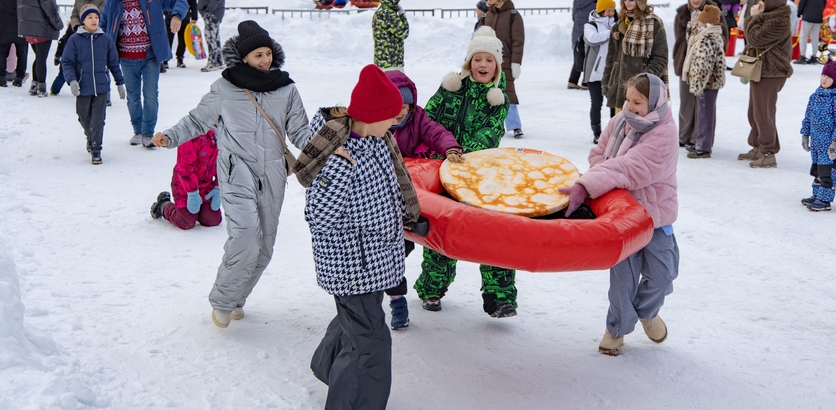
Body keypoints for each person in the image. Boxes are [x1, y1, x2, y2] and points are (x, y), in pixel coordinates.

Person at [151, 20, 310, 328]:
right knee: (246, 237)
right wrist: (170, 137)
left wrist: (329, 146)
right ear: (244, 57)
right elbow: (197, 121)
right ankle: (222, 300)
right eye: (258, 55)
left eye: (268, 54)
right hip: (237, 173)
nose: (265, 60)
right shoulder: (225, 88)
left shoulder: (286, 88)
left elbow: (300, 132)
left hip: (274, 176)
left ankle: (237, 297)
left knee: (265, 247)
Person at [305, 64, 416, 410]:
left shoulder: (377, 139)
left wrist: (407, 218)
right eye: (391, 115)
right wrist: (339, 168)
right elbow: (318, 216)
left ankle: (327, 364)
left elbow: (386, 189)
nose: (396, 120)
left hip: (372, 257)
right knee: (370, 344)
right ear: (372, 115)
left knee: (356, 323)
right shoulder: (339, 153)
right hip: (351, 264)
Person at [559, 73, 679, 356]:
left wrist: (589, 183)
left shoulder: (664, 132)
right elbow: (598, 154)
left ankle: (647, 313)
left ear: (655, 102)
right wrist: (603, 177)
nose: (629, 107)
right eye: (628, 100)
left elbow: (631, 168)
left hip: (654, 216)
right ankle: (616, 328)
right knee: (623, 279)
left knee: (663, 274)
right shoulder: (619, 121)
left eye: (637, 102)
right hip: (622, 215)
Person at [413, 26, 516, 318]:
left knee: (493, 232)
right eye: (477, 59)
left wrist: (461, 153)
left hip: (481, 174)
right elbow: (427, 121)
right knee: (442, 228)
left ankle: (499, 297)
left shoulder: (498, 99)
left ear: (496, 66)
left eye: (489, 60)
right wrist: (439, 152)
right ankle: (432, 287)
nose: (482, 65)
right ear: (469, 62)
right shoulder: (451, 88)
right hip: (443, 171)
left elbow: (490, 133)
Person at [100, 0, 188, 147]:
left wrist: (177, 15)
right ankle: (138, 131)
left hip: (150, 57)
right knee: (133, 97)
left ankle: (147, 133)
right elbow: (104, 24)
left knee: (151, 95)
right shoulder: (113, 2)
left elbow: (179, 1)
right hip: (126, 58)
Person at [61, 4, 127, 164]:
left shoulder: (106, 39)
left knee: (98, 119)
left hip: (101, 87)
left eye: (96, 17)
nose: (94, 20)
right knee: (83, 117)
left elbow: (113, 63)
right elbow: (67, 62)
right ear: (83, 20)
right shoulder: (74, 40)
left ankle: (96, 149)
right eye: (90, 17)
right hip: (83, 87)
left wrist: (120, 82)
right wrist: (72, 80)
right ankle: (90, 137)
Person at [737, 0, 793, 168]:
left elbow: (755, 38)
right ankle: (758, 146)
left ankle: (768, 152)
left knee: (763, 113)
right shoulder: (767, 16)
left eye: (763, 0)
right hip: (760, 70)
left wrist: (753, 18)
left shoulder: (779, 19)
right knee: (754, 111)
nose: (760, 3)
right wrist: (756, 18)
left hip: (772, 71)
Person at [674, 0, 728, 149]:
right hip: (685, 63)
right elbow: (679, 39)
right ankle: (683, 135)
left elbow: (723, 36)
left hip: (703, 63)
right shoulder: (682, 13)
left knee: (701, 103)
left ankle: (697, 137)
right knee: (686, 101)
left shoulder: (713, 11)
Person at [602, 0, 669, 114]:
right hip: (617, 90)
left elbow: (660, 59)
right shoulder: (618, 26)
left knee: (638, 125)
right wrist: (606, 84)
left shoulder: (654, 25)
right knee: (618, 124)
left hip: (642, 93)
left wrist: (642, 81)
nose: (627, 2)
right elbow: (611, 60)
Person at [150, 129, 223, 227]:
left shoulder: (226, 135)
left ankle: (199, 211)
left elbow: (225, 164)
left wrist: (218, 187)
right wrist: (192, 193)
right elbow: (184, 167)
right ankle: (163, 205)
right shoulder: (192, 134)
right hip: (184, 184)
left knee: (212, 220)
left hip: (206, 185)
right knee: (185, 221)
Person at [478, 0, 525, 138]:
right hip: (487, 61)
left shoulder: (513, 15)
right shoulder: (486, 16)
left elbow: (518, 42)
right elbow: (478, 41)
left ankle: (515, 125)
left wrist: (516, 63)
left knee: (508, 92)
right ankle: (485, 125)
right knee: (485, 92)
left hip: (506, 61)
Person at [799, 61, 836, 211]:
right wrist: (805, 134)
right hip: (816, 142)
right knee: (817, 169)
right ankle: (817, 194)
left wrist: (834, 142)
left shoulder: (835, 99)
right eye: (823, 75)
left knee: (827, 171)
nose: (824, 79)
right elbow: (808, 116)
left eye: (828, 77)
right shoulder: (815, 96)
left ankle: (825, 200)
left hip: (829, 144)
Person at [51, 0, 106, 96]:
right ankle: (54, 90)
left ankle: (89, 92)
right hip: (74, 45)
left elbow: (101, 15)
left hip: (91, 37)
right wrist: (77, 27)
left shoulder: (102, 1)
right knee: (65, 71)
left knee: (88, 70)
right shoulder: (72, 30)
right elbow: (63, 41)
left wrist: (89, 27)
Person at [583, 0, 617, 144]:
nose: (611, 13)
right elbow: (593, 39)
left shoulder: (617, 23)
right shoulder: (591, 25)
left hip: (612, 72)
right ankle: (597, 133)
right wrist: (612, 32)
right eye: (608, 10)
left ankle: (613, 132)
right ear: (601, 11)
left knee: (613, 103)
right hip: (594, 72)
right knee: (596, 104)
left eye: (612, 10)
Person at [17, 0, 63, 97]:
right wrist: (59, 25)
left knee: (38, 57)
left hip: (29, 29)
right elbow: (50, 10)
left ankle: (34, 85)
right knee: (41, 58)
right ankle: (41, 88)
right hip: (42, 29)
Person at [372, 0, 409, 71]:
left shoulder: (380, 11)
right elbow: (404, 32)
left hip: (382, 61)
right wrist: (402, 15)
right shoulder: (388, 13)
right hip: (391, 62)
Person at [570, 0, 597, 90]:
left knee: (579, 56)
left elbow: (573, 17)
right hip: (590, 33)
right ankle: (586, 82)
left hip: (578, 32)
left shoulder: (577, 2)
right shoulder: (595, 4)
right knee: (590, 57)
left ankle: (572, 81)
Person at [1, 0, 28, 88]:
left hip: (4, 28)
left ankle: (1, 78)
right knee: (22, 54)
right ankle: (19, 78)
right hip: (21, 28)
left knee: (2, 53)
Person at [165, 0, 197, 70]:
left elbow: (193, 3)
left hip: (184, 18)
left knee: (183, 40)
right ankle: (165, 60)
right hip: (170, 18)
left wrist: (194, 16)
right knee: (168, 40)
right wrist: (166, 13)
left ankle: (180, 57)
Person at [197, 0, 224, 72]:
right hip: (214, 12)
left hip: (212, 12)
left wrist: (208, 10)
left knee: (210, 37)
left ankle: (213, 61)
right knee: (215, 37)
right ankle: (218, 60)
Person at [796, 0, 826, 64]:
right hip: (818, 17)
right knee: (815, 37)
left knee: (804, 36)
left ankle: (803, 56)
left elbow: (802, 3)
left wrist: (799, 13)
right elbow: (824, 4)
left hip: (807, 16)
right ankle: (814, 56)